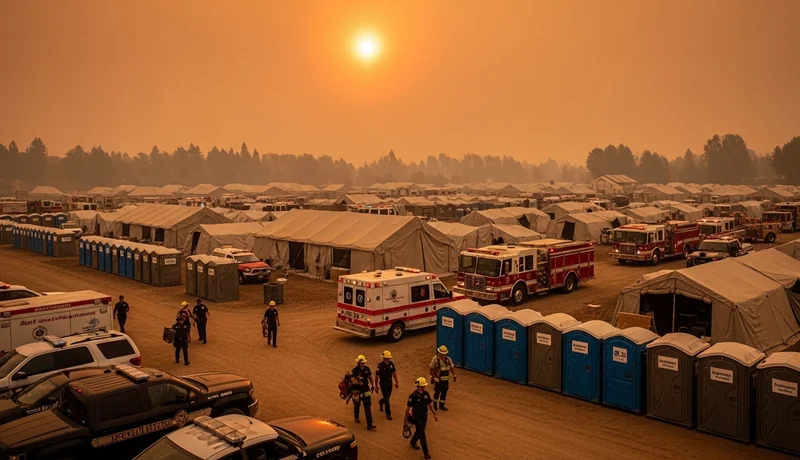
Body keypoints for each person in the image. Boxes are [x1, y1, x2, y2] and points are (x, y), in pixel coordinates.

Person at [406, 377, 437, 459]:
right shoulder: (413, 396)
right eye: (423, 386)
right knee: (422, 434)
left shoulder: (426, 394)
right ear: (418, 386)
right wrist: (405, 420)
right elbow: (408, 408)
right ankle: (426, 453)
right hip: (417, 418)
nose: (424, 387)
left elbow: (429, 404)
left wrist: (434, 413)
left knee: (420, 431)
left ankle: (413, 442)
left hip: (424, 416)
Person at [350, 355, 376, 430]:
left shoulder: (367, 369)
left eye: (363, 363)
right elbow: (352, 379)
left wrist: (372, 385)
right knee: (357, 404)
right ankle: (356, 416)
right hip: (356, 391)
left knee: (367, 407)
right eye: (361, 363)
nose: (362, 364)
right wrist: (356, 381)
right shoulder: (355, 370)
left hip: (366, 390)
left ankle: (369, 424)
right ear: (358, 363)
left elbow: (370, 377)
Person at [429, 345, 456, 411]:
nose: (442, 355)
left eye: (444, 354)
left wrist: (454, 375)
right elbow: (431, 369)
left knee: (444, 392)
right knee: (437, 392)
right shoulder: (435, 359)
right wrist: (433, 377)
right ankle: (435, 404)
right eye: (441, 354)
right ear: (439, 353)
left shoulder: (448, 359)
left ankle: (442, 405)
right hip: (438, 380)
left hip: (445, 380)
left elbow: (452, 366)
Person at [375, 350, 399, 420]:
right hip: (383, 383)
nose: (388, 359)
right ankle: (388, 414)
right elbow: (377, 376)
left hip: (389, 383)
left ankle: (381, 402)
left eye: (389, 358)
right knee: (387, 398)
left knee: (388, 397)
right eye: (387, 358)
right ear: (384, 358)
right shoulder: (380, 366)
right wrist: (376, 386)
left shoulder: (391, 364)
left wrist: (397, 382)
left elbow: (394, 373)